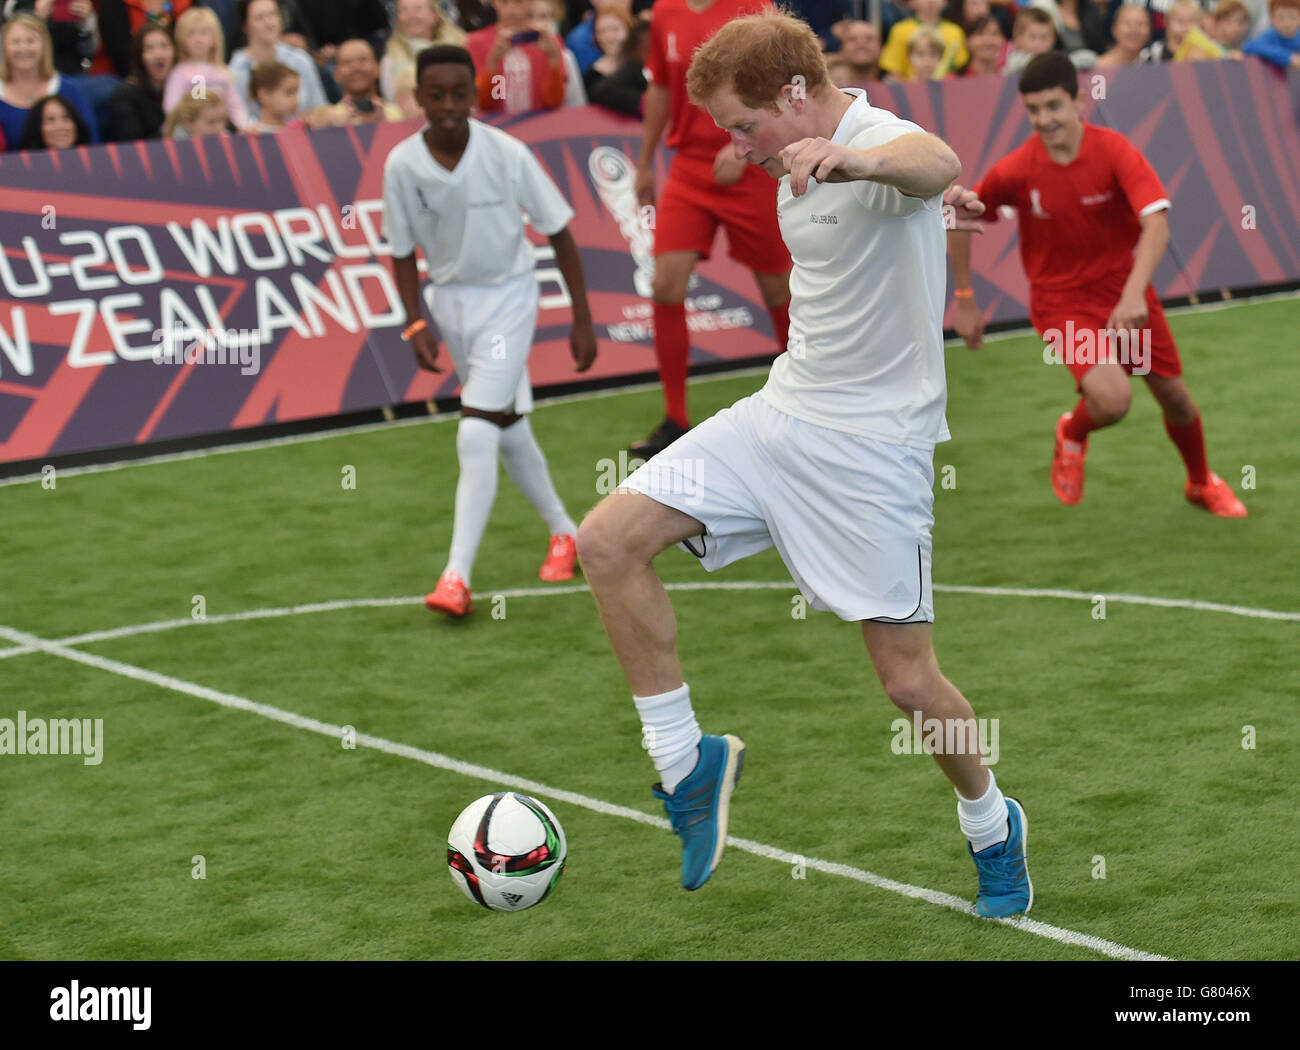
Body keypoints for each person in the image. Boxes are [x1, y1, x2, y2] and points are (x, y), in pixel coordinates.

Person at [576, 8, 1032, 917]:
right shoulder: (789, 155)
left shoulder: (873, 138)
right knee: (606, 542)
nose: (738, 148)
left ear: (794, 93)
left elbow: (934, 164)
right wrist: (824, 168)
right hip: (781, 415)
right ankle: (687, 764)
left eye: (744, 125)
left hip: (873, 450)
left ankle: (991, 825)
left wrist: (856, 160)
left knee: (908, 682)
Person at [949, 52, 1247, 516]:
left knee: (1176, 399)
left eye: (1053, 106)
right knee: (1113, 399)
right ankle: (1072, 431)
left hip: (1125, 295)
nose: (1044, 119)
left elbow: (1158, 224)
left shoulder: (1114, 151)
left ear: (1078, 101)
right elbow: (962, 215)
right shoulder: (1017, 169)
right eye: (1033, 110)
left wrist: (1131, 295)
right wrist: (965, 298)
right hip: (1062, 303)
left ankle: (1200, 482)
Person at [384, 45, 599, 618]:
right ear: (420, 99)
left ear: (476, 95)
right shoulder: (402, 165)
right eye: (437, 95)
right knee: (504, 424)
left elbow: (560, 231)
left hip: (510, 298)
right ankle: (565, 532)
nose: (449, 105)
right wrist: (414, 322)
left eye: (460, 93)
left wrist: (582, 317)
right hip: (449, 304)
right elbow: (402, 253)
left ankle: (455, 576)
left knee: (474, 431)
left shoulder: (508, 153)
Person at [628, 0, 792, 461]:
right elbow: (661, 87)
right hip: (688, 168)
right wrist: (643, 164)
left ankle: (807, 405)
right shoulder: (664, 11)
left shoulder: (753, 7)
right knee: (664, 285)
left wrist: (743, 142)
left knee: (778, 288)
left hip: (750, 162)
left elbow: (777, 87)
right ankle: (676, 420)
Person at [0, 12, 99, 147]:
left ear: (44, 45)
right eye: (15, 42)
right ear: (4, 48)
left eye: (30, 41)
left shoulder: (70, 91)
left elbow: (91, 142)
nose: (23, 48)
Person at [465, 0, 569, 115]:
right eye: (504, 2)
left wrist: (553, 58)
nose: (511, 10)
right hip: (498, 126)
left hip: (538, 125)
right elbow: (483, 104)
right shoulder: (477, 42)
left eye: (518, 2)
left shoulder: (548, 41)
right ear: (494, 3)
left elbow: (554, 102)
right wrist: (493, 62)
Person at [230, 0, 327, 123]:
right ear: (245, 25)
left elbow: (318, 107)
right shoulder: (236, 71)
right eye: (260, 18)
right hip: (259, 139)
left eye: (273, 14)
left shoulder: (301, 60)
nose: (269, 23)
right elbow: (240, 121)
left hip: (303, 136)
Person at [163, 5, 252, 129]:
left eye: (204, 33)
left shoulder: (223, 73)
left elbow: (235, 106)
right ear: (182, 39)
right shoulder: (179, 73)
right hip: (188, 135)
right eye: (191, 33)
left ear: (215, 38)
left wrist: (244, 126)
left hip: (218, 132)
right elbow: (171, 107)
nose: (198, 39)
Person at [381, 0, 467, 105]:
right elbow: (391, 101)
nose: (411, 16)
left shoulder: (461, 45)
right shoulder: (391, 59)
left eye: (418, 9)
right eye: (404, 10)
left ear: (434, 15)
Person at [304, 37, 403, 125]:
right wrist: (337, 131)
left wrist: (386, 126)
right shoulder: (326, 120)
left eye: (363, 60)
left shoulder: (399, 115)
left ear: (377, 68)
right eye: (347, 62)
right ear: (336, 74)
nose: (356, 67)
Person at [108, 20, 174, 140]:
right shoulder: (125, 94)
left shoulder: (186, 85)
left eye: (164, 46)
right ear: (140, 57)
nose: (158, 54)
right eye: (149, 48)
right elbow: (131, 145)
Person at [100, 0, 194, 79]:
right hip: (125, 78)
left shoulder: (187, 4)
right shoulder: (115, 5)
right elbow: (120, 59)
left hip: (182, 75)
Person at [881, 0, 969, 80]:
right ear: (911, 2)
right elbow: (894, 70)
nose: (931, 1)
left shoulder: (955, 31)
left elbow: (959, 68)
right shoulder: (899, 30)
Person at [586, 11, 648, 115]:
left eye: (615, 29)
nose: (609, 37)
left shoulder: (638, 64)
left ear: (629, 29)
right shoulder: (592, 74)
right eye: (601, 31)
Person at [1029, 0, 1111, 67]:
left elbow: (1100, 48)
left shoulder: (1092, 9)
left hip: (1091, 70)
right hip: (1053, 70)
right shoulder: (1044, 7)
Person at [16, 91, 91, 148]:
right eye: (50, 120)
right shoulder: (22, 165)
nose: (60, 126)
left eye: (66, 118)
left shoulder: (94, 160)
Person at [244, 59, 300, 132]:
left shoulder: (298, 130)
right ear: (264, 95)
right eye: (289, 92)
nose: (295, 100)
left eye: (296, 93)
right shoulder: (252, 133)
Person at [1243, 0, 1300, 67]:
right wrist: (1289, 57)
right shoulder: (1270, 35)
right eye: (1280, 18)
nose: (1287, 24)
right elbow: (1249, 46)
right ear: (1272, 19)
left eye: (1292, 17)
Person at [1002, 7, 1058, 75]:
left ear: (1053, 40)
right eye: (1033, 37)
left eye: (1044, 38)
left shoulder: (1055, 60)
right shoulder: (1009, 59)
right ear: (1018, 37)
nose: (1038, 43)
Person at [162, 85, 228, 136]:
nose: (219, 128)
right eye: (211, 122)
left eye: (222, 120)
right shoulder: (176, 149)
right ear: (187, 121)